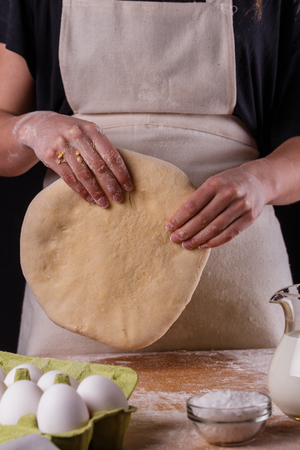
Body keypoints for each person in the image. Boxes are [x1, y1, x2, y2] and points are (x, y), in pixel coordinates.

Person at [0, 0, 299, 356]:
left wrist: (262, 181)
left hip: (241, 287)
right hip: (79, 308)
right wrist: (30, 128)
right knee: (72, 410)